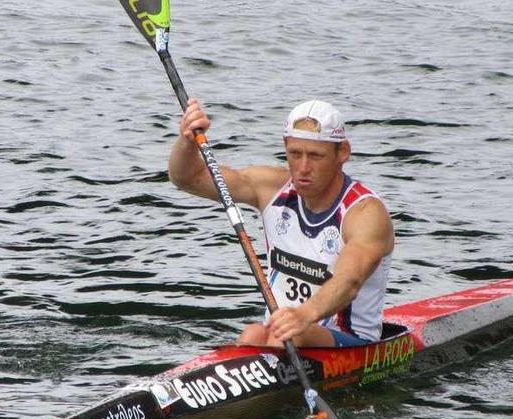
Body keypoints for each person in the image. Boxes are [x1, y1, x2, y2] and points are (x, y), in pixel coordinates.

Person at [168, 99, 394, 348]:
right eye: (295, 154)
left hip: (352, 344)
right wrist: (187, 141)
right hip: (283, 333)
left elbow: (349, 281)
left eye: (316, 156)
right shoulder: (271, 189)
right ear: (285, 147)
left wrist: (305, 314)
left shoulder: (365, 212)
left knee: (288, 335)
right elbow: (187, 178)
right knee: (253, 334)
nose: (303, 167)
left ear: (342, 153)